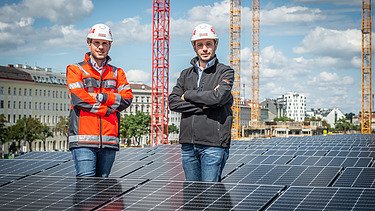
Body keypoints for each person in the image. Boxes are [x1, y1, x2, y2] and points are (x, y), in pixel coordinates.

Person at [168, 23, 234, 182]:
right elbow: (173, 102)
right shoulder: (185, 74)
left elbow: (218, 97)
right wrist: (208, 105)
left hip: (213, 145)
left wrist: (188, 94)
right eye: (200, 45)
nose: (205, 48)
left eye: (208, 44)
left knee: (210, 196)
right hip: (188, 145)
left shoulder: (225, 72)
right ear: (194, 47)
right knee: (192, 195)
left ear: (215, 45)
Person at [66, 23, 133, 177]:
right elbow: (78, 98)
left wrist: (104, 97)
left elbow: (127, 99)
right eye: (96, 43)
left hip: (109, 140)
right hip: (83, 141)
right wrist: (107, 109)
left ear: (110, 46)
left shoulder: (117, 73)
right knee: (86, 186)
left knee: (103, 189)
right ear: (89, 43)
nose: (100, 47)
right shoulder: (76, 69)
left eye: (105, 43)